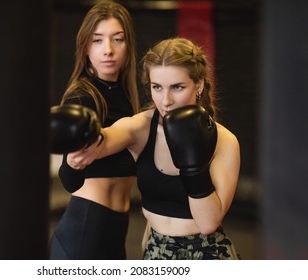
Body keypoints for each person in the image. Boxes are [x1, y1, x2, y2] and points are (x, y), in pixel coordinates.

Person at [66, 37, 241, 260]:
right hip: (157, 251)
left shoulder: (225, 141)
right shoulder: (141, 127)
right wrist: (79, 136)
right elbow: (104, 141)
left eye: (177, 87)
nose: (165, 101)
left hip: (208, 254)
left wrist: (193, 165)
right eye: (157, 87)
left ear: (198, 85)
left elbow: (208, 223)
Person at [49, 1, 140, 260]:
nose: (108, 50)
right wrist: (75, 164)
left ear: (128, 45)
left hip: (116, 234)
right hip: (83, 235)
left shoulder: (126, 97)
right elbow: (68, 179)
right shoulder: (82, 97)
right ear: (85, 47)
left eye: (117, 39)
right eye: (97, 40)